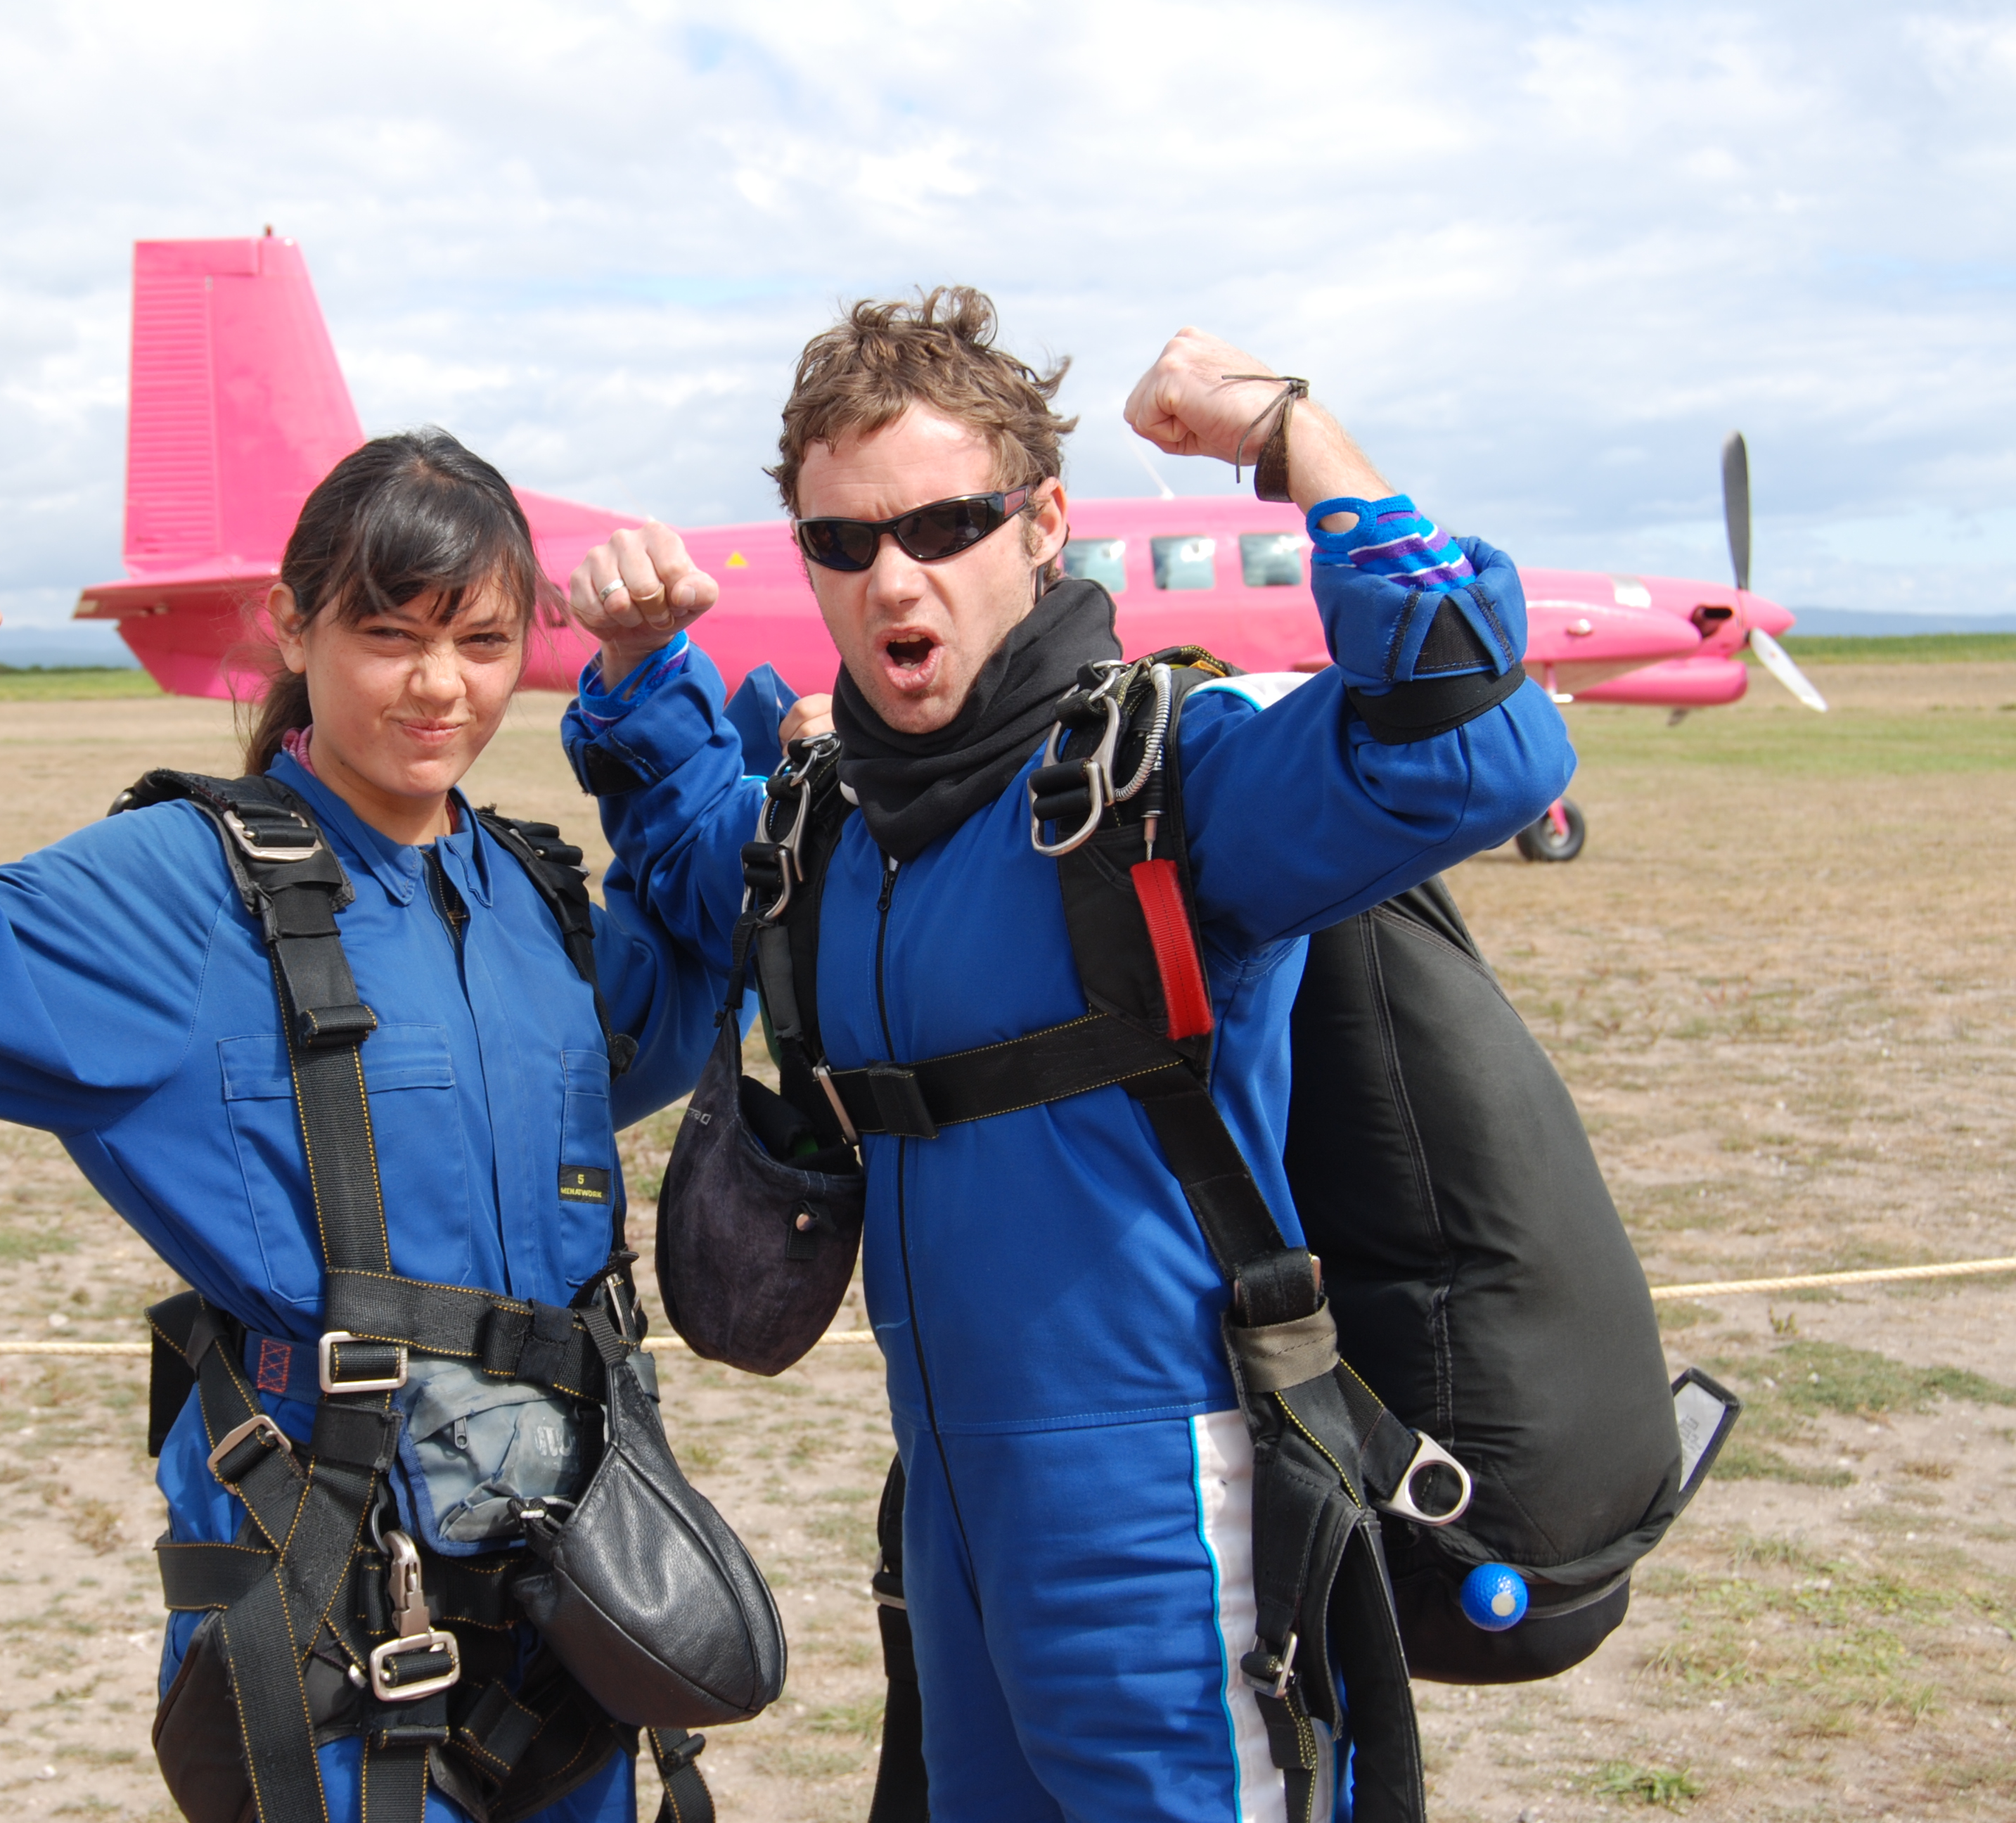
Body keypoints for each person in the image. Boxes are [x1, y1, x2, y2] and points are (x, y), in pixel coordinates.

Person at [556, 292, 1577, 1822]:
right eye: (842, 543)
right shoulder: (833, 826)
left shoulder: (1165, 783)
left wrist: (1295, 437)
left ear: (1042, 524)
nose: (892, 577)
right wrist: (642, 660)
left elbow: (1472, 751)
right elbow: (704, 851)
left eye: (944, 524)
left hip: (1168, 1509)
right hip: (949, 1506)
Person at [0, 430, 727, 1822]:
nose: (440, 687)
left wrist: (647, 689)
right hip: (332, 1623)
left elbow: (711, 955)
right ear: (291, 624)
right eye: (389, 635)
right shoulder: (180, 895)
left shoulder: (530, 895)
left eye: (485, 641)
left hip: (568, 1607)